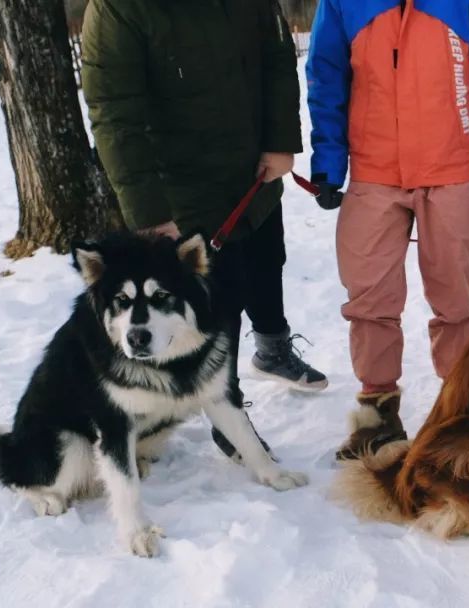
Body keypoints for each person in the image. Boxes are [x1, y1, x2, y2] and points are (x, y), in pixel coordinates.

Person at [82, 0, 327, 458]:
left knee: (267, 262)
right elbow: (114, 113)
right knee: (221, 296)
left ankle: (273, 350)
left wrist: (280, 141)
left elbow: (276, 58)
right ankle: (226, 409)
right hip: (182, 189)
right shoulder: (118, 10)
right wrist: (149, 211)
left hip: (253, 171)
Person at [306, 0, 469, 459]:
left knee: (456, 302)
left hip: (454, 170)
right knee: (369, 300)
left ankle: (464, 411)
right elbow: (326, 75)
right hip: (373, 172)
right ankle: (377, 417)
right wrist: (328, 161)